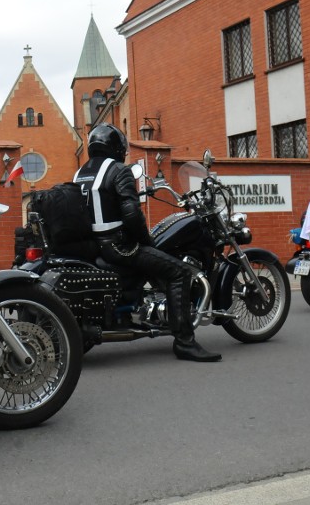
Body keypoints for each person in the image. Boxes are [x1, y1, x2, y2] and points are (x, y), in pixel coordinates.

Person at [74, 123, 221, 362]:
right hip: (118, 248)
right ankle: (185, 341)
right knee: (179, 272)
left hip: (94, 245)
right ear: (116, 148)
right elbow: (132, 214)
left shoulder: (81, 173)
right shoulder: (118, 170)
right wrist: (146, 241)